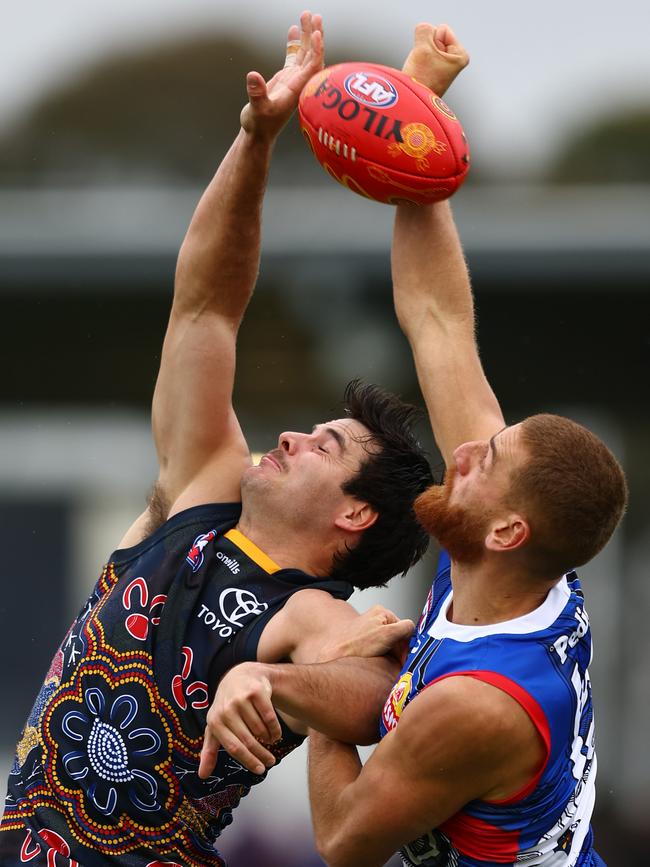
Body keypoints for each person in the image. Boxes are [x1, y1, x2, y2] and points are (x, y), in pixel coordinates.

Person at [0, 13, 433, 867]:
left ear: (354, 514)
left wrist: (271, 681)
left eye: (326, 445)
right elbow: (205, 305)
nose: (292, 435)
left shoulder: (308, 612)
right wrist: (257, 142)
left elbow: (375, 695)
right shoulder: (200, 495)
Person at [200, 22, 628, 867]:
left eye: (487, 462)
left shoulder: (481, 701)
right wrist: (416, 111)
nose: (465, 450)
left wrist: (322, 703)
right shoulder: (508, 555)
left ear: (508, 529)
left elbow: (346, 839)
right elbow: (437, 320)